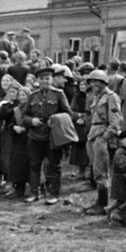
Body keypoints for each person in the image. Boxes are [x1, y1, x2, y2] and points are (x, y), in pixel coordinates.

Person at [22, 67, 72, 205]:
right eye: (42, 79)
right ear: (37, 80)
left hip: (52, 137)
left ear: (51, 79)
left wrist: (55, 119)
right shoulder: (33, 96)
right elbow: (24, 115)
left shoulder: (59, 94)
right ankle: (34, 192)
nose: (44, 81)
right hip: (35, 135)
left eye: (47, 78)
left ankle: (53, 194)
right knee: (34, 164)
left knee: (53, 165)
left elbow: (68, 113)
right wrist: (31, 121)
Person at [83, 70, 122, 216]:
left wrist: (106, 136)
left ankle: (103, 204)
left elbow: (116, 120)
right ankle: (99, 201)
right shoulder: (96, 97)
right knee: (95, 169)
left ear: (104, 83)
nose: (94, 84)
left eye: (98, 82)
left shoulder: (111, 97)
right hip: (93, 134)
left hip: (102, 136)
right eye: (92, 82)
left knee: (101, 171)